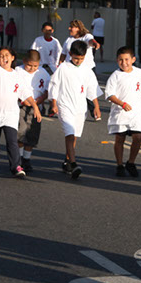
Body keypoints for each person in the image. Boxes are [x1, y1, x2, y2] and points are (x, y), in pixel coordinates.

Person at [0, 43, 40, 178]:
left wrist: (35, 106)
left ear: (13, 58)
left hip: (11, 113)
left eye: (7, 55)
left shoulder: (17, 75)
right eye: (0, 56)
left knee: (12, 140)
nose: (4, 58)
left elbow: (25, 93)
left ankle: (16, 167)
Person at [49, 40, 103, 180]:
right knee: (70, 134)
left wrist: (96, 106)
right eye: (76, 58)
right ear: (71, 54)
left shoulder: (87, 71)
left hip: (80, 108)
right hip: (65, 106)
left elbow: (92, 90)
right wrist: (53, 103)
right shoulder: (63, 68)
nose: (78, 61)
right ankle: (73, 163)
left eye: (81, 58)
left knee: (74, 136)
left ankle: (67, 161)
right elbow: (54, 86)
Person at [105, 46, 141, 178]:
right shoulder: (115, 76)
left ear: (133, 59)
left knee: (138, 138)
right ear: (117, 60)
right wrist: (122, 104)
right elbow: (109, 95)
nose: (124, 63)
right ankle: (119, 165)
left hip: (137, 112)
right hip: (120, 112)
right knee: (120, 139)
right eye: (121, 60)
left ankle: (131, 162)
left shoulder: (140, 73)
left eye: (127, 59)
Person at [15, 50, 49, 173]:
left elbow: (47, 90)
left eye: (35, 65)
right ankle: (18, 158)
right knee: (21, 132)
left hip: (37, 108)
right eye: (29, 65)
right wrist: (22, 100)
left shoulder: (43, 72)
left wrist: (42, 99)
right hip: (22, 106)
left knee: (32, 134)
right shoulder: (18, 71)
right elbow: (15, 88)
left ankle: (27, 159)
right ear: (24, 61)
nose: (32, 68)